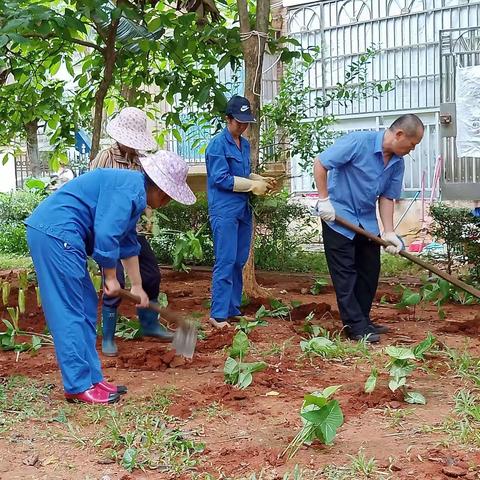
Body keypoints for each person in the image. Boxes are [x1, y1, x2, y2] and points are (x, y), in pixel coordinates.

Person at [25, 152, 196, 404]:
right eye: (170, 197)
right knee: (70, 311)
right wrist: (110, 277)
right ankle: (78, 384)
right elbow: (105, 235)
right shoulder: (128, 191)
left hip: (63, 237)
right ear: (162, 191)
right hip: (55, 234)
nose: (168, 201)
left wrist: (137, 286)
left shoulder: (134, 192)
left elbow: (127, 243)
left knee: (84, 308)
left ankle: (92, 379)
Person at [314, 114, 424, 342]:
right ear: (400, 134)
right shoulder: (357, 142)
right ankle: (354, 326)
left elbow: (386, 197)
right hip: (338, 218)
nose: (411, 150)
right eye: (412, 144)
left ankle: (362, 319)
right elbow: (321, 163)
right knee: (345, 275)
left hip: (366, 222)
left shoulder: (396, 163)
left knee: (369, 272)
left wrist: (389, 231)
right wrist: (324, 200)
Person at [90, 107, 173, 356]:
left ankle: (149, 324)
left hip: (131, 229)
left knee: (151, 274)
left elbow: (146, 193)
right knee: (114, 280)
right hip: (108, 229)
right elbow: (95, 193)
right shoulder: (104, 158)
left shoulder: (141, 162)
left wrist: (148, 217)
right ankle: (108, 337)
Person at [205, 95, 275, 329]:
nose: (243, 126)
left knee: (238, 260)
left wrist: (259, 179)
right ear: (228, 119)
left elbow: (244, 174)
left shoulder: (244, 145)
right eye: (239, 122)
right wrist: (252, 185)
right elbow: (221, 178)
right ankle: (218, 314)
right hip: (224, 210)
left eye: (246, 122)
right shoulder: (217, 145)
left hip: (242, 209)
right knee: (225, 260)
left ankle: (233, 309)